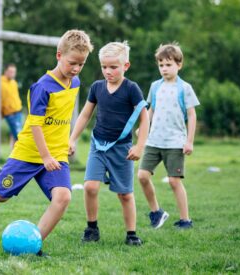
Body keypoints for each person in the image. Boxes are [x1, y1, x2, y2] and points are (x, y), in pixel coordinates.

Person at [0, 30, 93, 256]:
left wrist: (69, 140)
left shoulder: (75, 82)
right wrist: (45, 156)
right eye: (72, 63)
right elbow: (36, 125)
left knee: (63, 197)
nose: (76, 69)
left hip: (56, 153)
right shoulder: (42, 87)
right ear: (59, 55)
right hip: (29, 152)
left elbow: (63, 117)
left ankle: (33, 245)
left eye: (81, 64)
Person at [69, 41, 149, 246]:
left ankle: (131, 234)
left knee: (125, 194)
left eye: (113, 67)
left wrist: (140, 146)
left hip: (122, 149)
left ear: (126, 66)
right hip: (98, 146)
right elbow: (86, 114)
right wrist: (72, 139)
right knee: (90, 187)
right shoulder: (97, 87)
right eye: (104, 67)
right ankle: (92, 228)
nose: (108, 71)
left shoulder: (132, 89)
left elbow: (144, 118)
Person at [137, 43, 200, 229]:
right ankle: (156, 213)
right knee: (142, 176)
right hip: (153, 141)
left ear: (179, 65)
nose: (164, 68)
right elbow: (151, 110)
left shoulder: (185, 88)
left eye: (168, 64)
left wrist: (189, 141)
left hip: (175, 142)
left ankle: (185, 220)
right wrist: (143, 128)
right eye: (161, 65)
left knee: (174, 181)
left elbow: (191, 115)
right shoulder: (155, 86)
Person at [0, 64, 23, 148]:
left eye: (14, 72)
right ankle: (18, 157)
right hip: (10, 113)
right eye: (10, 71)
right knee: (19, 135)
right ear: (5, 71)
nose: (12, 73)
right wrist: (1, 113)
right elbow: (0, 99)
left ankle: (13, 156)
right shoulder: (0, 83)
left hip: (19, 111)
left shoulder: (14, 83)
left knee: (15, 135)